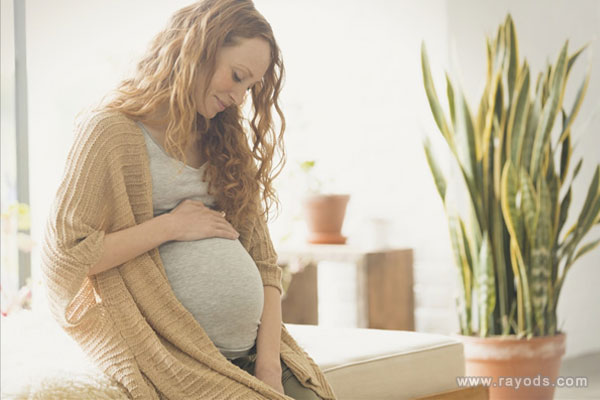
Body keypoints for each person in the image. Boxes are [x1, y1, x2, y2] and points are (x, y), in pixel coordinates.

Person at [40, 1, 337, 399]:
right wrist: (170, 226)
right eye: (236, 76)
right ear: (198, 47)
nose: (238, 97)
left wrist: (268, 369)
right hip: (174, 359)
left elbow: (265, 264)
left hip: (255, 357)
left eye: (249, 87)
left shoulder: (226, 141)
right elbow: (66, 260)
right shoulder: (109, 132)